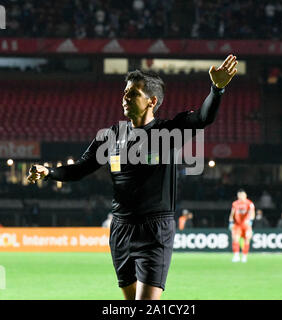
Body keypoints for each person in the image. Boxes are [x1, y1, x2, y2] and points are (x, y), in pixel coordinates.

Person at [27, 54, 238, 300]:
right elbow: (81, 168)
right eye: (125, 92)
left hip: (155, 229)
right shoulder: (111, 135)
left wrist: (217, 88)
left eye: (133, 94)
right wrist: (49, 172)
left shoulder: (169, 131)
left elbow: (203, 117)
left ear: (152, 101)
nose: (125, 98)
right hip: (120, 229)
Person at [228, 189, 255, 263]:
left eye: (242, 195)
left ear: (245, 195)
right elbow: (232, 213)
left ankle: (244, 256)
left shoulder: (249, 203)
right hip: (237, 225)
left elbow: (252, 213)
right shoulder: (235, 203)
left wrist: (251, 221)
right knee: (235, 239)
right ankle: (236, 256)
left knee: (247, 239)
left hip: (246, 225)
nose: (241, 196)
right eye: (239, 195)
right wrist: (230, 222)